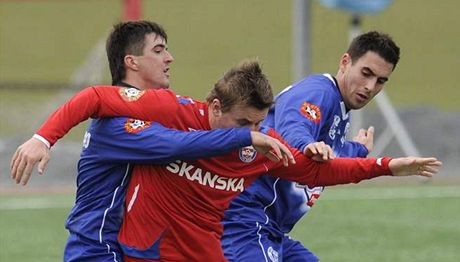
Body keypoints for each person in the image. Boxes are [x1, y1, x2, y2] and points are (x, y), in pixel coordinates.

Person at [13, 58, 441, 261]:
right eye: (242, 123)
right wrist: (41, 139)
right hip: (144, 253)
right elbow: (94, 97)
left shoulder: (259, 145)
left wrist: (384, 167)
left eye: (257, 124)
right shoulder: (172, 111)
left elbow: (315, 171)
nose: (251, 134)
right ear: (214, 107)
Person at [10, 21, 292, 262]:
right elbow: (176, 145)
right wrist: (42, 139)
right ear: (131, 62)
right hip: (97, 249)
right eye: (158, 50)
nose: (169, 58)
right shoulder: (116, 123)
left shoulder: (143, 110)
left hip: (117, 249)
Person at [221, 31, 404, 261]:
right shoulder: (318, 92)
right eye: (366, 73)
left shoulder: (339, 108)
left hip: (271, 229)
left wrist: (357, 150)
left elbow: (331, 154)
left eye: (380, 81)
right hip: (245, 220)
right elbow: (294, 128)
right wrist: (306, 146)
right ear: (345, 62)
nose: (370, 86)